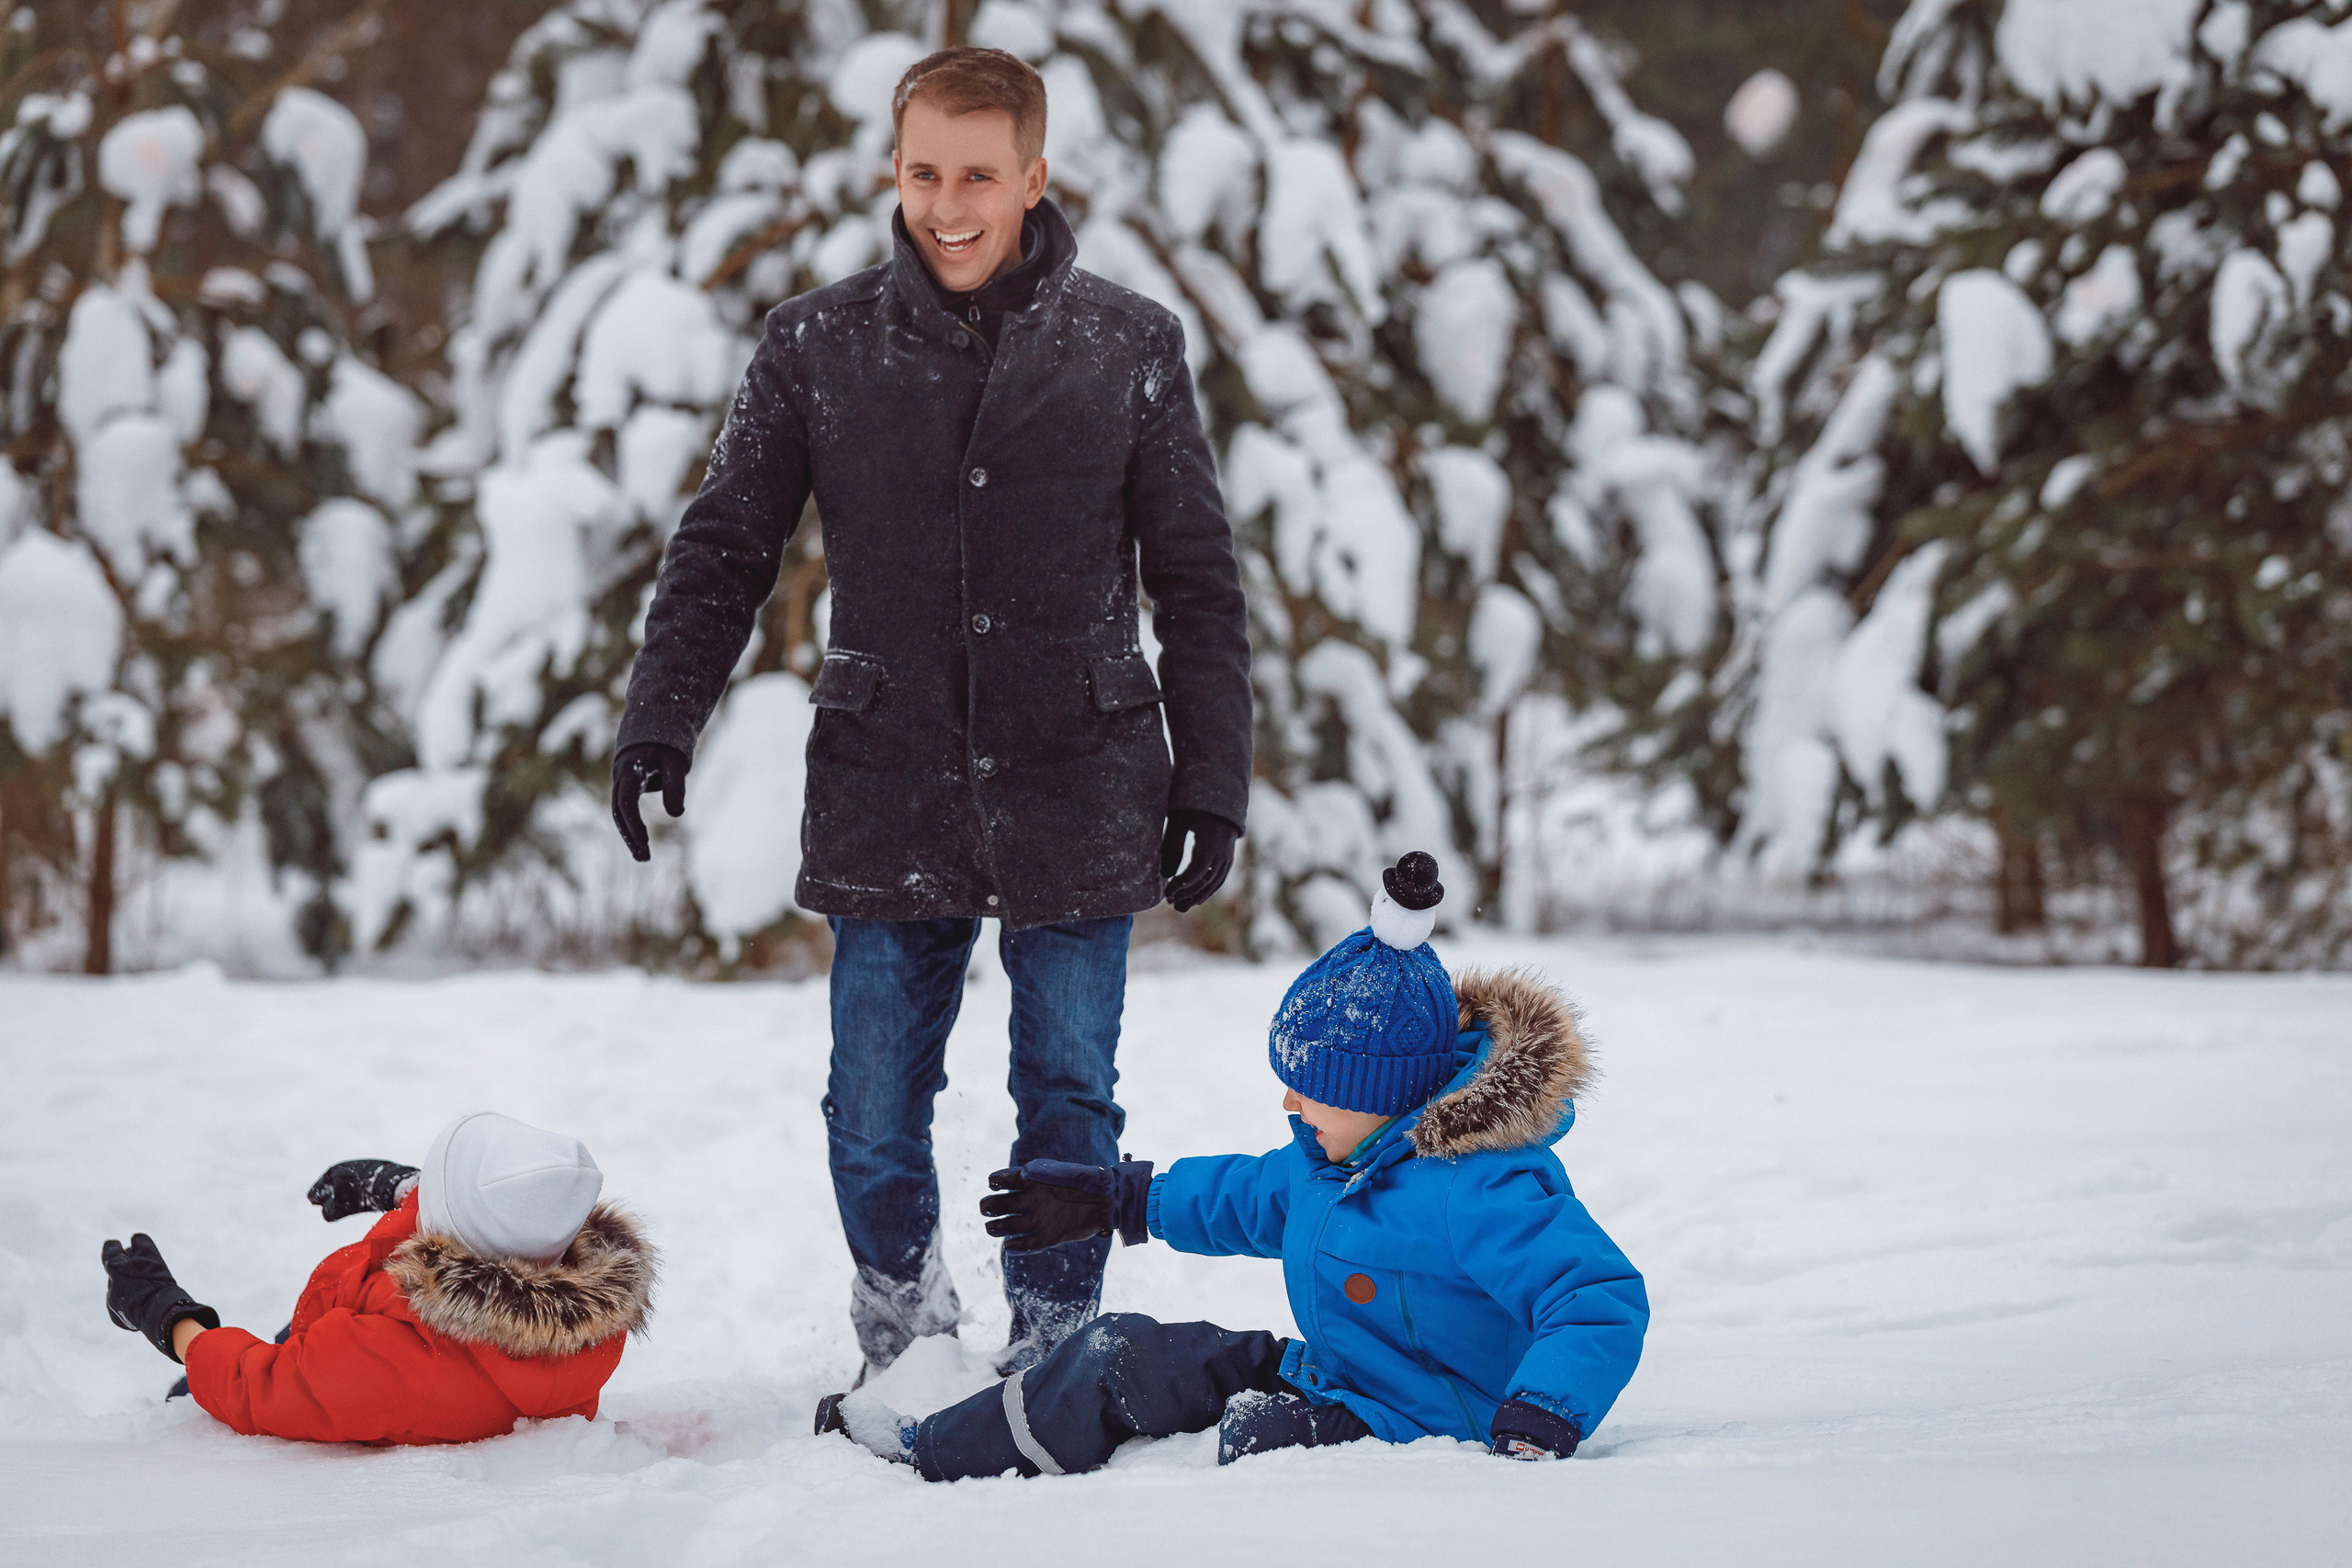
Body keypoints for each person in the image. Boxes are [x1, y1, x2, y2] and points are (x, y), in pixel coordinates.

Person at [609, 47, 1251, 1378]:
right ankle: (903, 1333)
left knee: (1068, 1085)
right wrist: (660, 715)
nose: (947, 206)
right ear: (890, 171)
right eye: (921, 173)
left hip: (1080, 771)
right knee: (874, 1103)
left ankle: (1058, 1332)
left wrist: (1214, 777)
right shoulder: (815, 344)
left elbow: (1195, 578)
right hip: (885, 773)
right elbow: (727, 540)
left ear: (1034, 175)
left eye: (977, 175)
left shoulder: (1131, 344)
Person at [815, 854, 1648, 1478]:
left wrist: (1540, 1414)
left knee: (1253, 1442)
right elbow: (1244, 1196)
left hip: (1428, 1423)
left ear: (1386, 1093)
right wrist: (1121, 1199)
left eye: (1312, 1090)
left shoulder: (1484, 1183)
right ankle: (935, 1448)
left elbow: (1596, 1293)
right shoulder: (1331, 1158)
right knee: (1118, 1352)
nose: (1293, 1107)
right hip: (1336, 1379)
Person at [100, 1112, 655, 1445]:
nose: (420, 1197)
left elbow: (260, 1388)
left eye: (433, 1190)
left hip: (317, 1368)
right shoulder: (576, 1304)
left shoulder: (396, 1358)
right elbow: (499, 1228)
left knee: (187, 1400)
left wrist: (168, 1316)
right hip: (360, 1343)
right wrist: (395, 1186)